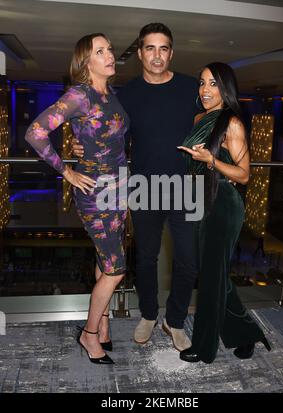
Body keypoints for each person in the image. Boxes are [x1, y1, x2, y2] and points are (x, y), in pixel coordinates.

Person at [72, 23, 199, 351]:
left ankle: (174, 320)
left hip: (186, 185)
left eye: (164, 48)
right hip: (142, 185)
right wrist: (78, 148)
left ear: (171, 52)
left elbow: (214, 119)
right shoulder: (124, 94)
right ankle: (146, 314)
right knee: (145, 257)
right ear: (140, 53)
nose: (158, 55)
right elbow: (107, 134)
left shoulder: (190, 87)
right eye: (150, 48)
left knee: (188, 259)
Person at [25, 33, 129, 365]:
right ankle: (88, 333)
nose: (110, 54)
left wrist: (77, 146)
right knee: (116, 269)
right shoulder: (80, 95)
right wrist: (66, 171)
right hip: (95, 192)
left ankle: (103, 327)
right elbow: (36, 132)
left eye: (110, 49)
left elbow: (104, 138)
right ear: (87, 63)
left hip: (120, 187)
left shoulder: (109, 92)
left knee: (105, 261)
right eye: (101, 51)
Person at [178, 62, 271, 364]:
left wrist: (211, 161)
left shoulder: (232, 124)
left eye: (212, 84)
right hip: (198, 201)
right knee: (216, 276)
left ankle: (204, 348)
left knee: (210, 279)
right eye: (202, 83)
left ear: (225, 88)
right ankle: (246, 333)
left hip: (223, 203)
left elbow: (244, 175)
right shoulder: (198, 118)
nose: (205, 90)